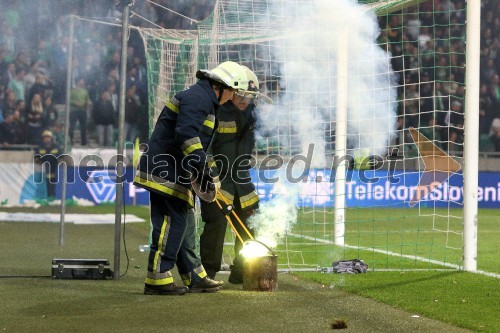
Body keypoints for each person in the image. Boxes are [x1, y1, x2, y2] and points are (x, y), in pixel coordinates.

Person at [133, 61, 249, 295]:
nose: (234, 98)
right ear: (224, 86)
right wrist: (203, 169)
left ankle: (194, 275)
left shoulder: (205, 98)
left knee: (184, 222)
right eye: (235, 92)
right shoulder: (199, 98)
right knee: (171, 222)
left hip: (176, 170)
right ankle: (157, 279)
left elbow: (199, 145)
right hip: (165, 170)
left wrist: (206, 171)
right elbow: (186, 136)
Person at [200, 67, 261, 283]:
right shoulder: (216, 112)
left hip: (242, 180)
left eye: (249, 96)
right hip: (217, 179)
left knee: (252, 221)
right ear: (231, 90)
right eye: (241, 94)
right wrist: (212, 175)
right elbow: (204, 148)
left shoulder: (253, 116)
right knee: (216, 223)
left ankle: (242, 271)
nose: (245, 100)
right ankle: (208, 272)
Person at [33, 130, 62, 199]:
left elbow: (61, 156)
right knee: (46, 184)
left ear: (51, 138)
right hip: (44, 169)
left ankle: (53, 197)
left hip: (55, 168)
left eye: (48, 137)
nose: (46, 139)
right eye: (45, 137)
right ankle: (47, 197)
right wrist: (40, 162)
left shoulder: (56, 146)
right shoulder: (40, 147)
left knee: (54, 184)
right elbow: (36, 158)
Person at [69, 77, 90, 146]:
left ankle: (84, 142)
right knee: (72, 126)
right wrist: (75, 103)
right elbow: (69, 100)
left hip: (83, 110)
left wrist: (86, 103)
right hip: (74, 110)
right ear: (78, 81)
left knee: (83, 127)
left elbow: (88, 100)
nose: (83, 82)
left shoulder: (85, 91)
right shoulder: (72, 90)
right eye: (82, 80)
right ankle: (70, 141)